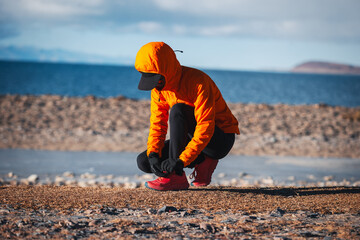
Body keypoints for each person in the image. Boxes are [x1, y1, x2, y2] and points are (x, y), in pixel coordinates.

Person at [135, 42, 240, 191]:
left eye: (156, 79)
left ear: (167, 70)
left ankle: (176, 177)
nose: (155, 85)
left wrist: (180, 161)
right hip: (193, 137)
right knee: (144, 162)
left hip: (219, 139)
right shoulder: (159, 90)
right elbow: (158, 124)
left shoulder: (198, 82)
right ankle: (203, 161)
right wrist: (153, 153)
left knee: (179, 110)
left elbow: (205, 126)